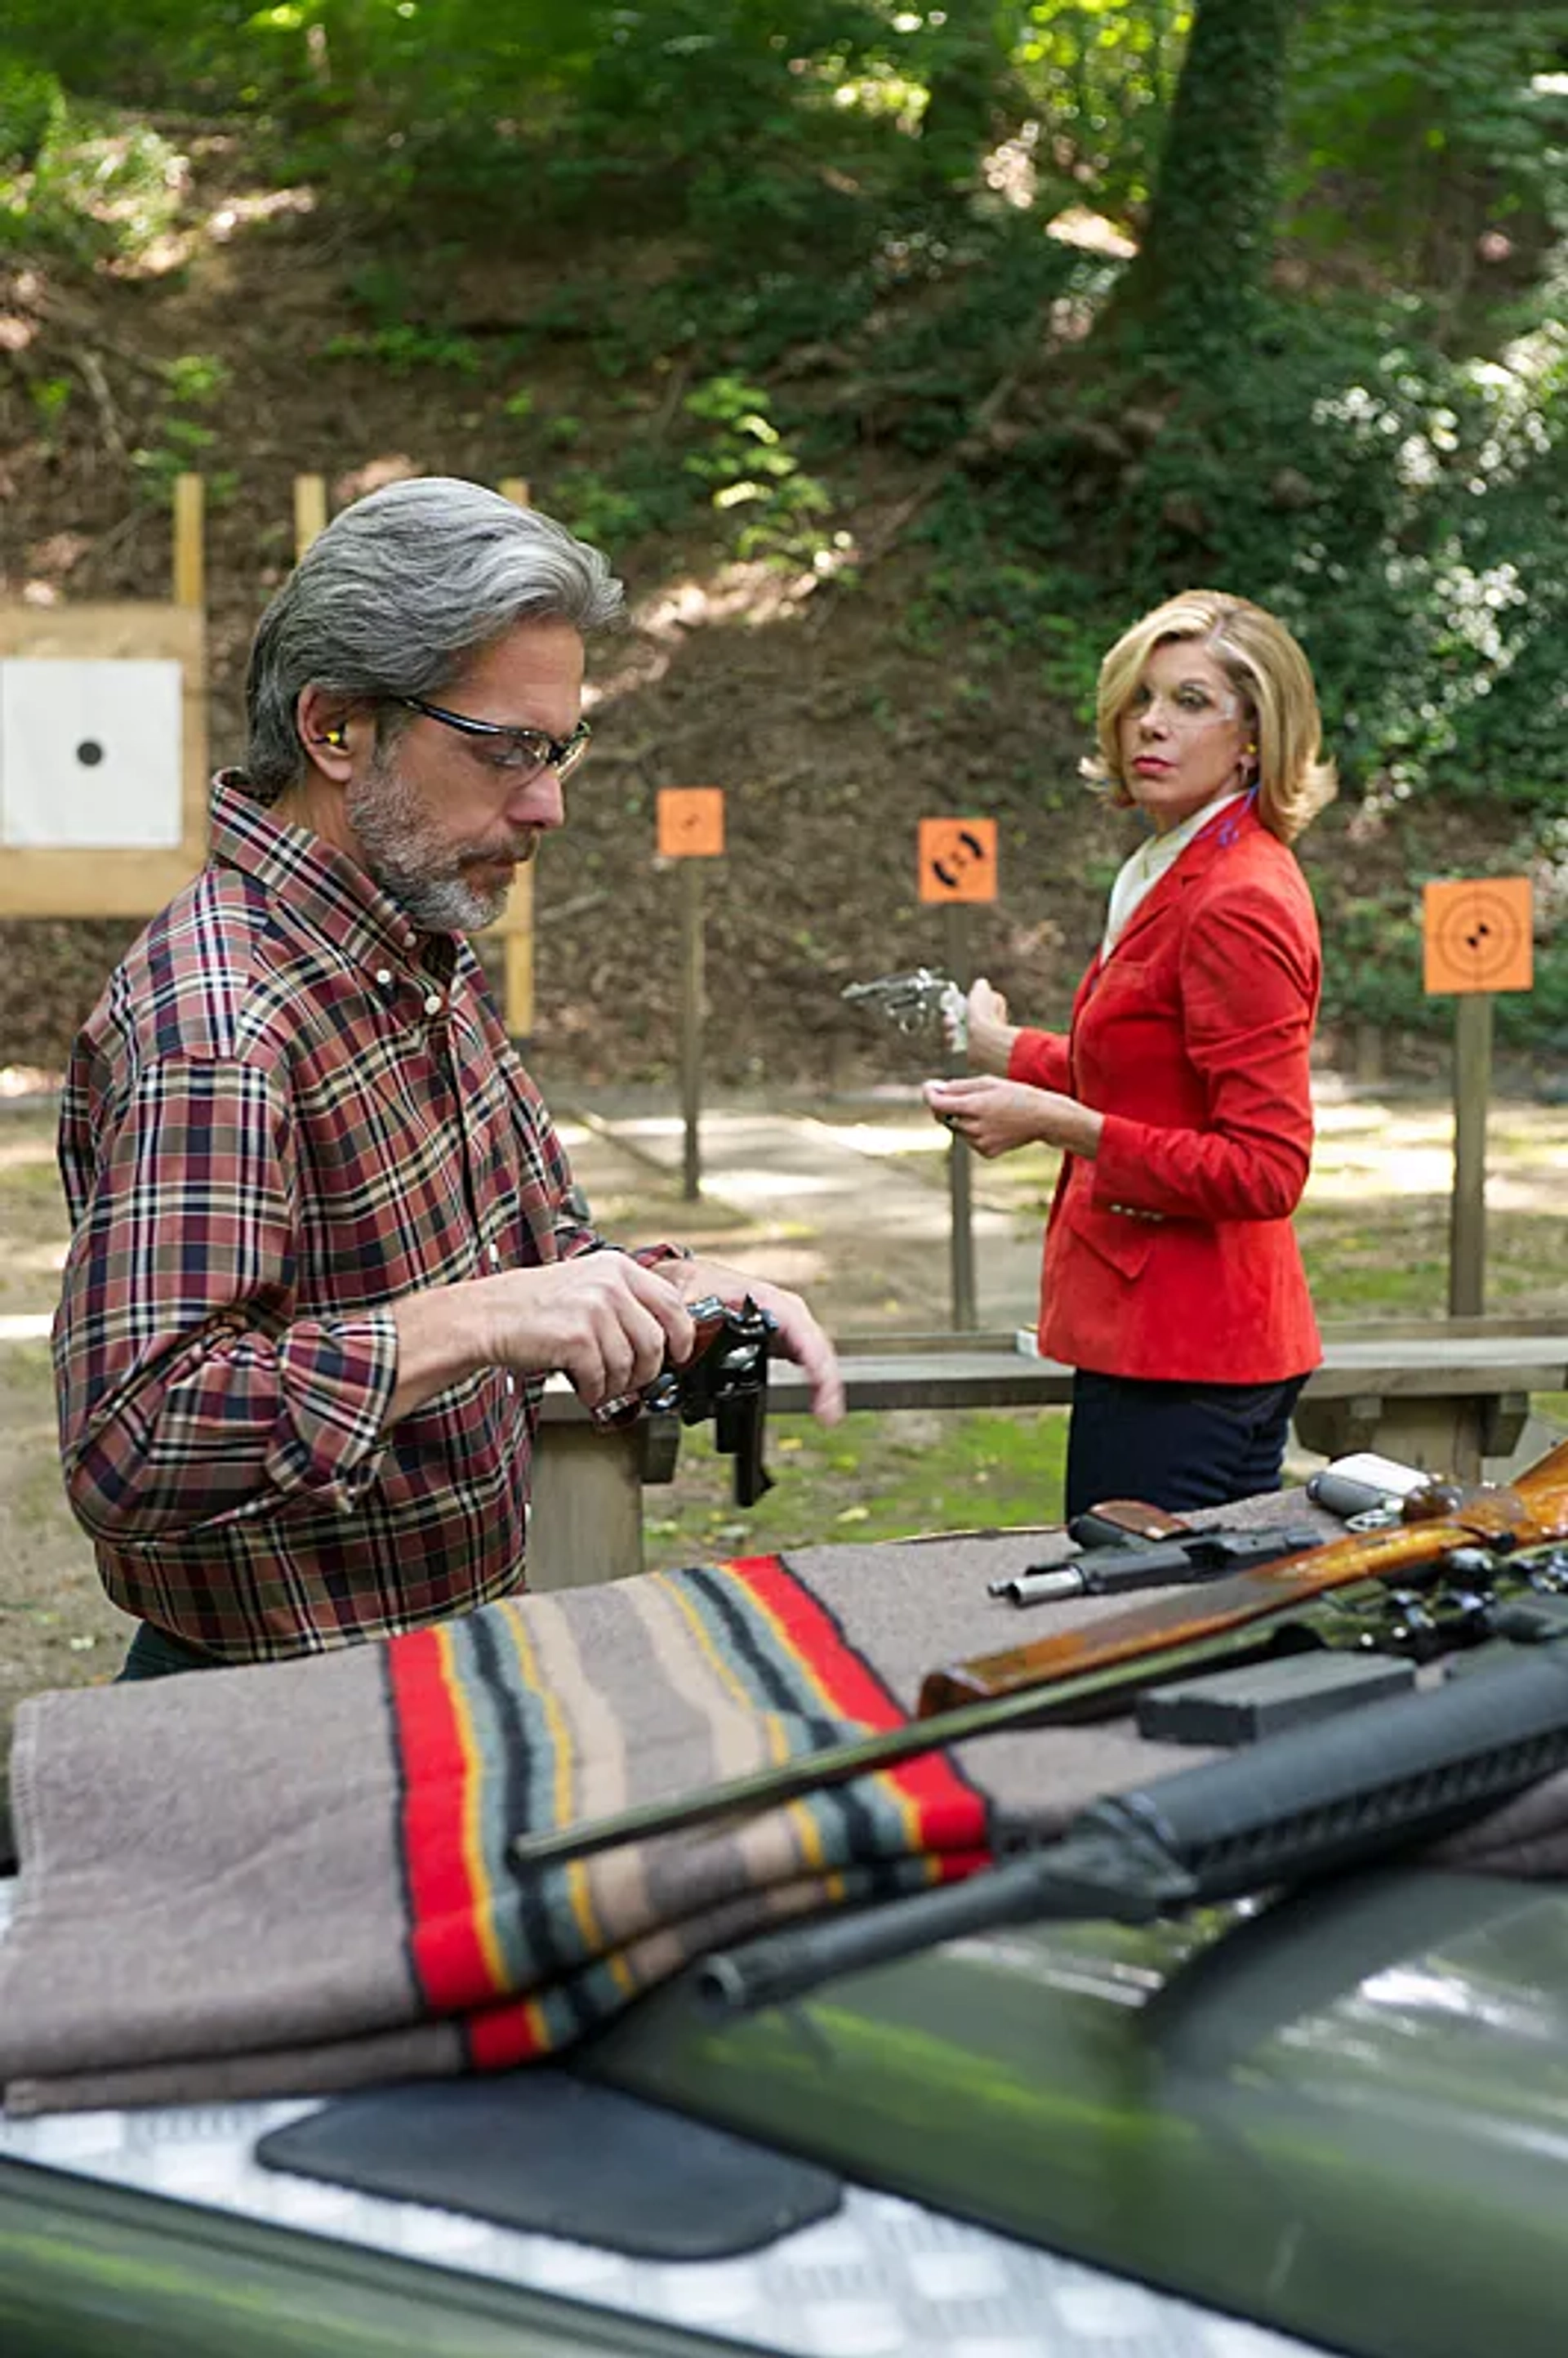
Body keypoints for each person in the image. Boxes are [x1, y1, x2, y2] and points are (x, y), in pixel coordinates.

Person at [54, 476, 844, 1678]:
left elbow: (539, 1259)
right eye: (507, 750)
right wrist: (469, 1322)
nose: (549, 803)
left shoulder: (416, 942)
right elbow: (135, 1439)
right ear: (335, 728)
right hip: (281, 1702)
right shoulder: (219, 1022)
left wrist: (674, 1289)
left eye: (560, 746)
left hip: (442, 1658)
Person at [924, 588, 1335, 1520]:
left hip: (1190, 1355)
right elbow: (1154, 1074)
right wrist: (1011, 1052)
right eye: (1142, 698)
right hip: (1172, 1344)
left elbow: (1267, 1168)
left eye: (1191, 702)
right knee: (1187, 1634)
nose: (1151, 724)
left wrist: (1057, 1124)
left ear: (1254, 739)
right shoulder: (1175, 860)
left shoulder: (1238, 897)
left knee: (1139, 1637)